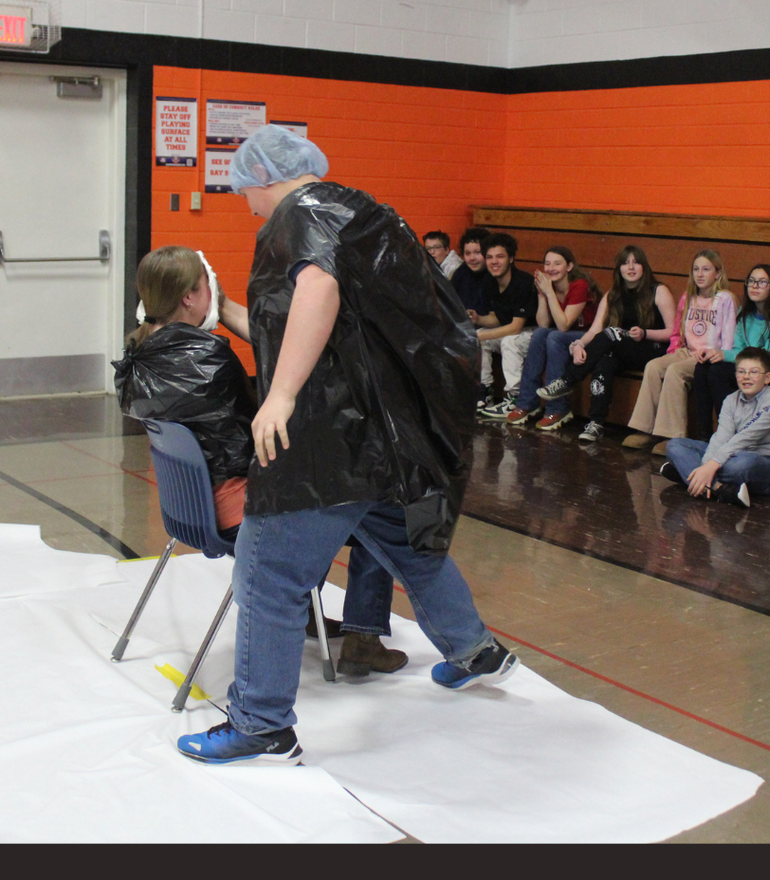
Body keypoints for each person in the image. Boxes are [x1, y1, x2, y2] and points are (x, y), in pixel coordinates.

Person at [177, 125, 517, 767]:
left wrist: (278, 397)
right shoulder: (361, 212)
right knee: (409, 547)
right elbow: (319, 329)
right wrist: (226, 309)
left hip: (329, 441)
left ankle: (261, 723)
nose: (242, 202)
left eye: (241, 190)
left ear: (262, 178)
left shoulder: (294, 217)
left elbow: (318, 292)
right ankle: (474, 650)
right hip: (386, 436)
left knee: (267, 568)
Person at [113, 245, 408, 678]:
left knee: (330, 488)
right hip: (240, 511)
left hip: (190, 509)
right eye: (205, 288)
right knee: (377, 502)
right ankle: (363, 637)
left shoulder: (137, 360)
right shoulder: (209, 358)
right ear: (192, 298)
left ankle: (308, 606)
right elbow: (260, 428)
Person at [537, 245, 676, 443]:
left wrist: (645, 333)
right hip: (624, 349)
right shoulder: (613, 294)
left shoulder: (658, 290)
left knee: (611, 333)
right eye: (625, 263)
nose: (630, 267)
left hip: (653, 349)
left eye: (636, 262)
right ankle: (596, 423)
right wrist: (578, 344)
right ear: (618, 268)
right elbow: (594, 331)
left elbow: (673, 332)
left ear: (644, 267)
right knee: (605, 360)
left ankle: (568, 381)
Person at [621, 248, 737, 453]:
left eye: (706, 269)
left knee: (675, 372)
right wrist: (674, 351)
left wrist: (721, 355)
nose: (700, 274)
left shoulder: (725, 299)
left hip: (707, 356)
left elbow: (728, 335)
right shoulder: (688, 297)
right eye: (696, 269)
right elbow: (677, 330)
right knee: (654, 366)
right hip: (686, 351)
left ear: (718, 273)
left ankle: (672, 436)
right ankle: (645, 430)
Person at [659, 347, 770, 507]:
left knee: (742, 464)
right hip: (733, 454)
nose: (746, 377)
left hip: (767, 465)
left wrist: (710, 466)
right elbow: (722, 436)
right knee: (675, 445)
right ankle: (719, 489)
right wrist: (706, 465)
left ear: (768, 378)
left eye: (754, 372)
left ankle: (688, 474)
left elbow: (745, 438)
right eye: (741, 372)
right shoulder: (731, 400)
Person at [487, 245, 601, 430]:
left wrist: (549, 293)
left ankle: (558, 407)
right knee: (541, 334)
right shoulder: (550, 287)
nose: (551, 268)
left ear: (569, 266)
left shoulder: (580, 285)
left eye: (557, 263)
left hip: (588, 338)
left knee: (554, 337)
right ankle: (527, 403)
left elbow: (563, 325)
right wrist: (542, 295)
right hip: (562, 338)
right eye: (547, 264)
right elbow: (543, 324)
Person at [691, 263, 770, 441]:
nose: (754, 286)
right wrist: (716, 353)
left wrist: (724, 355)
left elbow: (767, 357)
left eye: (762, 282)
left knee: (718, 372)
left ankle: (727, 435)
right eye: (751, 281)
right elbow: (738, 348)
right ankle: (703, 436)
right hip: (751, 366)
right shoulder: (746, 312)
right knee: (702, 367)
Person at [470, 232, 539, 412]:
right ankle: (485, 390)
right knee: (480, 336)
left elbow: (516, 327)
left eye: (500, 256)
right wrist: (478, 319)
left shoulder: (524, 283)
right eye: (490, 257)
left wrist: (481, 334)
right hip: (513, 329)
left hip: (535, 332)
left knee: (508, 342)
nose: (494, 262)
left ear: (511, 259)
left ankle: (515, 398)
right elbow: (496, 318)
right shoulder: (489, 281)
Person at [449, 225, 492, 318]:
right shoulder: (461, 273)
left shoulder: (495, 275)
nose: (472, 258)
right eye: (467, 253)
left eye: (478, 252)